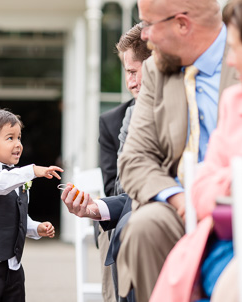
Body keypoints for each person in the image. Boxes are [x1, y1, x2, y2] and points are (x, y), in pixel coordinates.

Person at [114, 0, 239, 301]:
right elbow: (134, 159)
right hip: (178, 202)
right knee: (144, 227)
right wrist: (180, 199)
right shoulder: (156, 70)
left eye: (148, 24)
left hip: (234, 196)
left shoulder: (237, 60)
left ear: (182, 24)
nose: (143, 35)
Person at [0, 109, 63, 302]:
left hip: (13, 266)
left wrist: (36, 228)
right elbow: (0, 183)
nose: (18, 144)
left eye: (19, 138)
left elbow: (18, 216)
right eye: (10, 138)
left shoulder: (16, 178)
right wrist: (33, 170)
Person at [96, 23, 151, 302]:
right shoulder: (112, 122)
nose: (129, 82)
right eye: (126, 73)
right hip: (121, 204)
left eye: (133, 71)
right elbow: (112, 185)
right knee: (117, 227)